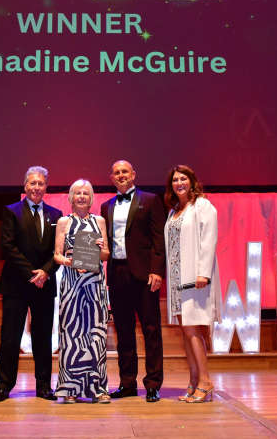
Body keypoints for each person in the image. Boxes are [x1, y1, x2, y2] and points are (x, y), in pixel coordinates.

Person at [0, 166, 62, 402]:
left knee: (42, 338)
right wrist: (33, 273)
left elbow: (58, 250)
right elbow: (8, 246)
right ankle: (3, 385)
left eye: (40, 183)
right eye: (32, 183)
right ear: (25, 186)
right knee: (10, 337)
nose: (36, 187)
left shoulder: (56, 215)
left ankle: (43, 386)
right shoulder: (11, 211)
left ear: (46, 187)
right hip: (16, 284)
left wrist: (45, 272)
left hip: (45, 284)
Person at [99, 159, 166, 402]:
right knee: (123, 331)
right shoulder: (106, 206)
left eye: (125, 171)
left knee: (151, 330)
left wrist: (157, 270)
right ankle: (127, 383)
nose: (121, 175)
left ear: (134, 174)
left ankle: (153, 384)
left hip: (145, 275)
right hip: (117, 274)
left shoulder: (150, 200)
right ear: (111, 177)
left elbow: (159, 240)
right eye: (116, 172)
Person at [163, 164, 220, 403]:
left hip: (195, 280)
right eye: (175, 180)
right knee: (187, 332)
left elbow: (208, 240)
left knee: (195, 330)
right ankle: (194, 379)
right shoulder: (174, 211)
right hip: (177, 282)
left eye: (183, 178)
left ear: (192, 181)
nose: (179, 183)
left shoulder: (202, 206)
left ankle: (205, 382)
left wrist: (203, 273)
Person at [53, 179, 111, 403]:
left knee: (96, 335)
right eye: (77, 193)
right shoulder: (63, 222)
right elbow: (57, 255)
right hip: (71, 284)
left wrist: (98, 250)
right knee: (71, 335)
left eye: (86, 193)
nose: (81, 197)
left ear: (91, 198)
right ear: (70, 197)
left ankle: (98, 388)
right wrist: (69, 262)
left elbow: (106, 255)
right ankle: (69, 389)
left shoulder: (99, 221)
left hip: (94, 284)